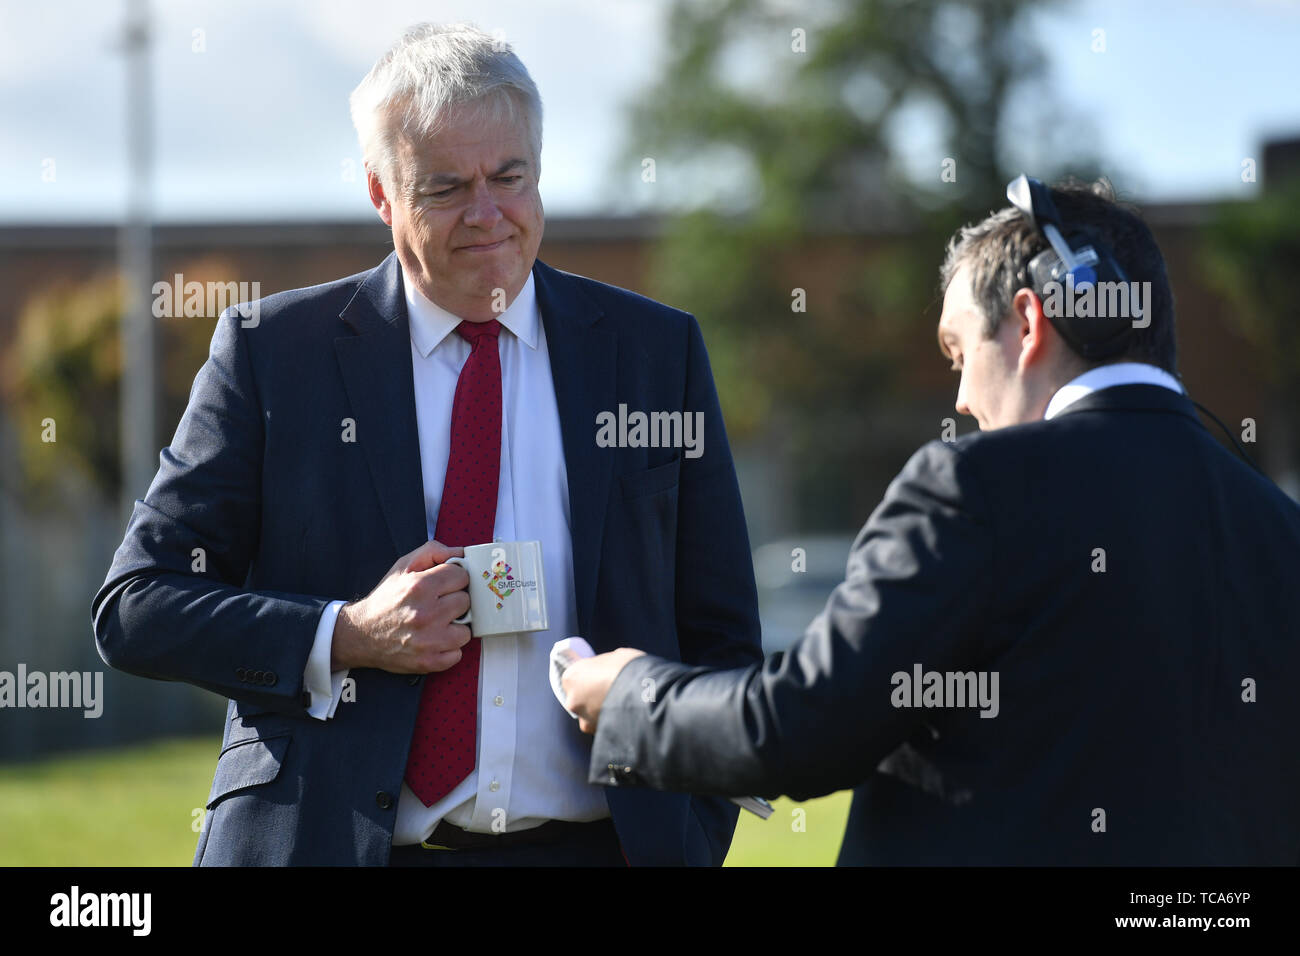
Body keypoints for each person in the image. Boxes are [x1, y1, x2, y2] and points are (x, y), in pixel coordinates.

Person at [92, 22, 761, 867]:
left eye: (509, 177)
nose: (487, 216)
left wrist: (695, 834)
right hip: (337, 846)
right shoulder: (275, 356)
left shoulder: (654, 354)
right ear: (381, 192)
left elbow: (724, 639)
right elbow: (137, 606)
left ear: (539, 171)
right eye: (445, 188)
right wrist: (346, 634)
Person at [563, 178, 1300, 865]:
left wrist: (631, 693)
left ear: (1030, 319)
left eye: (958, 353)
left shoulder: (971, 486)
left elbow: (803, 726)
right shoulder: (1279, 528)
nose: (962, 401)